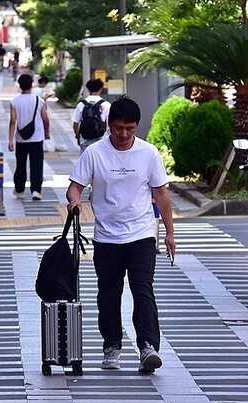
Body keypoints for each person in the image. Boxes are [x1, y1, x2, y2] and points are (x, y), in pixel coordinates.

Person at [65, 96, 175, 374]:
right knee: (109, 294)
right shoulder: (94, 153)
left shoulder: (148, 153)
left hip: (141, 235)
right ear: (108, 125)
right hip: (106, 238)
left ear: (137, 126)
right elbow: (74, 187)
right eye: (117, 128)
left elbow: (161, 195)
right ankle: (111, 344)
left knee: (143, 289)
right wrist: (75, 200)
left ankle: (148, 346)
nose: (123, 134)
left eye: (130, 128)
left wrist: (169, 234)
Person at [8, 74, 50, 201]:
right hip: (37, 138)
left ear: (20, 86)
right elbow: (45, 118)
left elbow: (13, 121)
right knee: (36, 164)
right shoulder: (39, 100)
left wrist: (10, 140)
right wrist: (47, 132)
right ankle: (36, 190)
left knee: (20, 164)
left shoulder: (15, 101)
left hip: (21, 139)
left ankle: (20, 190)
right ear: (31, 85)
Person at [72, 78, 111, 152]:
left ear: (88, 89)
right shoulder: (106, 104)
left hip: (85, 140)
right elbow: (110, 123)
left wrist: (78, 136)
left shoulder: (81, 104)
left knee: (86, 162)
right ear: (101, 89)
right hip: (101, 139)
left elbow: (75, 123)